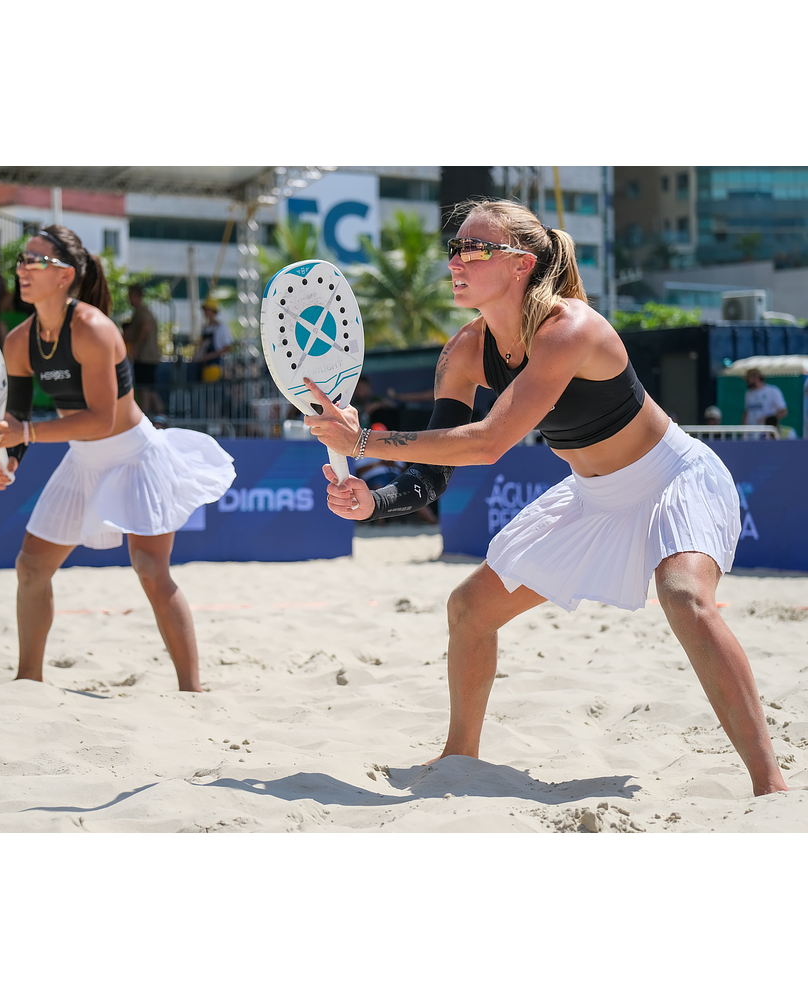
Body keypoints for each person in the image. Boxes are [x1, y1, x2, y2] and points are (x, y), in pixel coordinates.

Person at [306, 197, 787, 797]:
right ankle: (461, 755)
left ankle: (770, 785)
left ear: (521, 264)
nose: (458, 260)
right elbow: (430, 480)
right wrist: (372, 501)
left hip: (673, 479)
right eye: (454, 248)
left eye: (476, 248)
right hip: (593, 498)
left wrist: (365, 437)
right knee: (468, 609)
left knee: (684, 595)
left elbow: (487, 443)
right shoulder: (461, 353)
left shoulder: (570, 328)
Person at [0, 225, 235, 692]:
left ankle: (192, 691)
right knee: (31, 567)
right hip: (82, 460)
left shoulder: (95, 330)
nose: (22, 268)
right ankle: (27, 682)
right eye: (21, 259)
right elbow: (16, 416)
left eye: (35, 260)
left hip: (133, 454)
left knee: (150, 569)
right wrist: (11, 456)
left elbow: (100, 420)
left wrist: (28, 434)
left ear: (65, 275)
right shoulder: (18, 341)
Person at [123, 283, 163, 415]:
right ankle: (160, 416)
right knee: (150, 389)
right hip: (149, 356)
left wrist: (136, 347)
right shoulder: (144, 311)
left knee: (144, 390)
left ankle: (146, 417)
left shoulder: (141, 311)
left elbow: (145, 328)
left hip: (145, 356)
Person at [192, 297, 232, 381]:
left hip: (215, 366)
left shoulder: (221, 328)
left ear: (213, 311)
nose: (205, 312)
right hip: (203, 366)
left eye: (207, 310)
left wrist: (209, 356)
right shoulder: (205, 328)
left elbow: (228, 348)